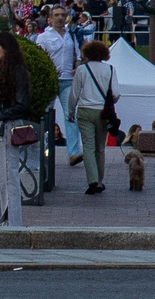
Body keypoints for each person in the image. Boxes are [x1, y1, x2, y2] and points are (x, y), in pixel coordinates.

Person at [0, 33, 38, 228]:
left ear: (6, 49)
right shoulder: (2, 70)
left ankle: (12, 221)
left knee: (7, 174)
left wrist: (1, 115)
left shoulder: (17, 71)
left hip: (7, 125)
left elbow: (23, 104)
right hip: (0, 125)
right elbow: (0, 100)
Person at [72, 39, 119, 194]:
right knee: (100, 148)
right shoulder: (110, 69)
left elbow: (74, 94)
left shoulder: (82, 70)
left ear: (87, 53)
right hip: (102, 112)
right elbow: (116, 94)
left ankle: (92, 180)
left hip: (85, 110)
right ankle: (99, 181)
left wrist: (70, 111)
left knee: (88, 147)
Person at [35, 13, 83, 163]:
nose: (60, 18)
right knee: (45, 116)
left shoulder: (71, 35)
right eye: (56, 15)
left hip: (67, 80)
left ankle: (74, 152)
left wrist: (77, 65)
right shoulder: (43, 37)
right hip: (50, 81)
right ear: (50, 19)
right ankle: (43, 151)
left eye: (63, 15)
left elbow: (78, 55)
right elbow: (39, 58)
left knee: (71, 115)